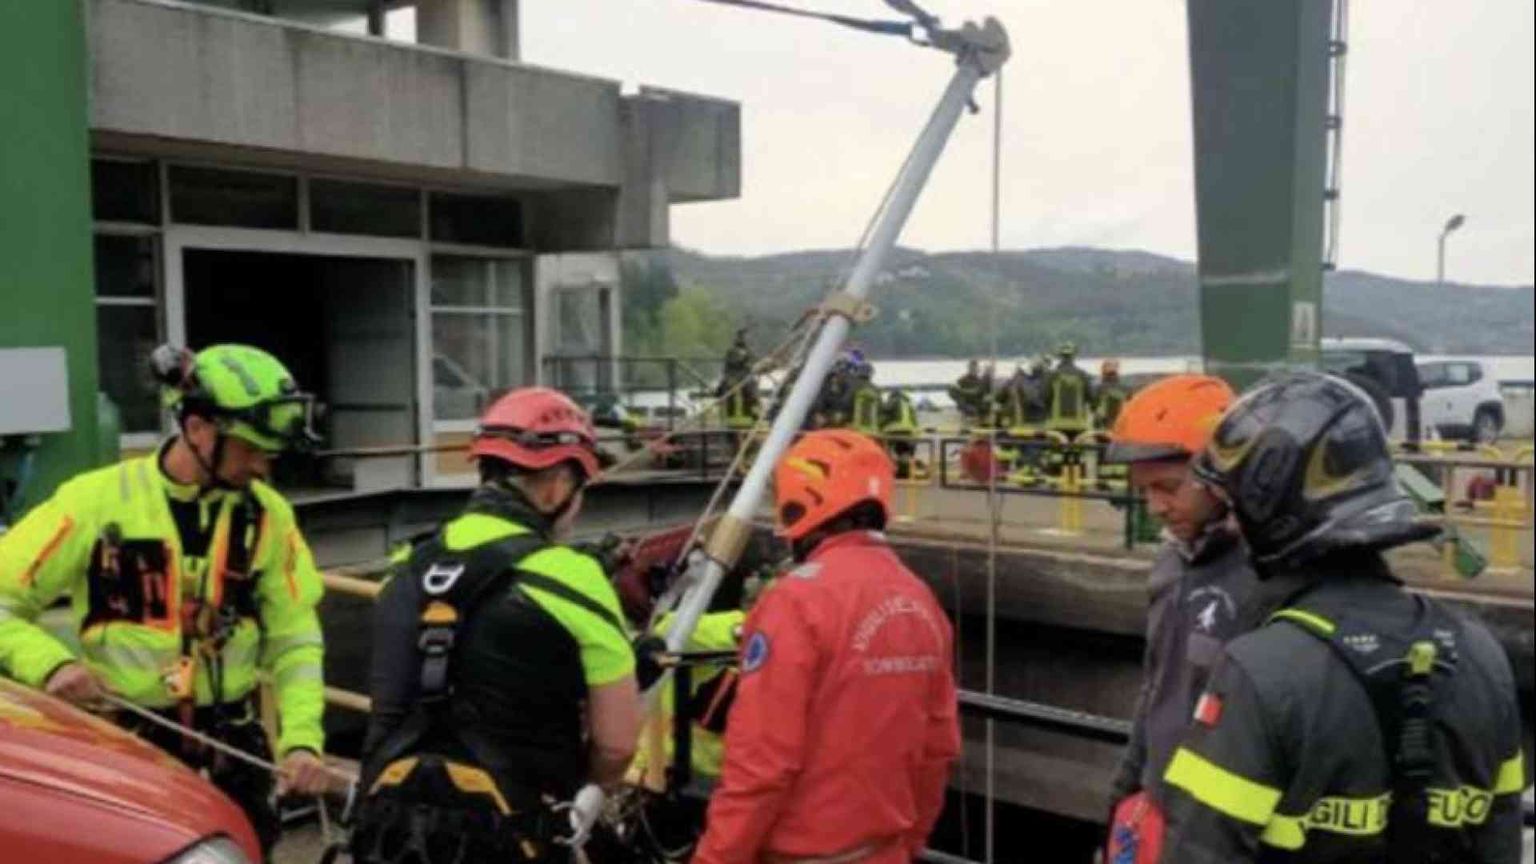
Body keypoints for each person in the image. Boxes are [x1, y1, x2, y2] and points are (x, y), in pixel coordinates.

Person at [1159, 371, 1528, 863]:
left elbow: (1200, 850)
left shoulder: (1260, 671)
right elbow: (1500, 840)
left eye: (1235, 508)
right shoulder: (1483, 655)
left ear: (1269, 511)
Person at [0, 343, 329, 857]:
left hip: (233, 751)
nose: (263, 468)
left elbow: (296, 639)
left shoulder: (269, 518)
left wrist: (303, 740)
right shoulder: (94, 502)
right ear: (197, 428)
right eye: (250, 449)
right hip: (126, 747)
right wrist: (51, 666)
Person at [354, 387, 640, 864]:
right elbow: (617, 743)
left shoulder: (402, 569)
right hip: (512, 835)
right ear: (555, 483)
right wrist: (580, 790)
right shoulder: (574, 577)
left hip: (389, 831)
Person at [695, 430, 960, 864]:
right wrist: (908, 845)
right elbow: (937, 747)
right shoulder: (919, 599)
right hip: (884, 851)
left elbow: (763, 764)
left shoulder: (795, 602)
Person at [1100, 374, 1253, 860]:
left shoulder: (1264, 575)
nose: (1155, 507)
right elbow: (1158, 686)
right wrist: (1127, 788)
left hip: (1222, 830)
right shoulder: (1173, 565)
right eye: (1143, 491)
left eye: (1168, 487)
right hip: (1163, 812)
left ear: (1220, 472)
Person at [1046, 341, 1093, 435]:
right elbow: (1090, 397)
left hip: (1056, 424)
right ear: (1074, 355)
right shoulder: (1082, 375)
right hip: (1079, 423)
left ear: (1060, 355)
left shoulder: (1052, 375)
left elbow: (1046, 397)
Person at [881, 388, 921, 479]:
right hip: (910, 432)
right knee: (904, 452)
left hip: (895, 430)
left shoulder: (894, 400)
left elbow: (884, 411)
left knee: (885, 448)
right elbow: (915, 421)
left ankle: (886, 470)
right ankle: (905, 473)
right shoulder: (909, 404)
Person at [949, 359, 987, 428]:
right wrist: (958, 390)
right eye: (971, 368)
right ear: (969, 368)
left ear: (977, 369)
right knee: (954, 391)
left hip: (976, 400)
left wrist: (962, 391)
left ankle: (974, 413)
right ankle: (966, 411)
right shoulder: (963, 379)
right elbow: (954, 386)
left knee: (981, 400)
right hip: (965, 400)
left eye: (975, 368)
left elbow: (977, 392)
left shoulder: (980, 380)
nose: (973, 370)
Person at [1095, 359, 1129, 430]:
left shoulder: (1099, 387)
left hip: (1103, 422)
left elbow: (1094, 405)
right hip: (1120, 421)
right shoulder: (1124, 387)